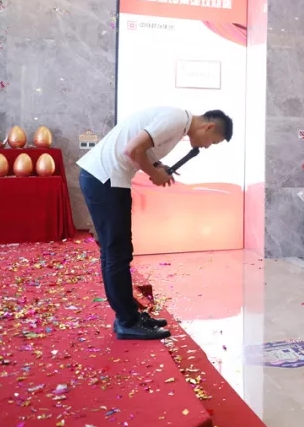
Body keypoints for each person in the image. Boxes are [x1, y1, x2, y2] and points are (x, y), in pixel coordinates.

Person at [78, 107, 232, 340]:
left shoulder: (179, 124)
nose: (207, 146)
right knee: (116, 252)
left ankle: (130, 315)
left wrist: (157, 167)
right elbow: (132, 149)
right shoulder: (176, 119)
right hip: (105, 179)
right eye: (213, 141)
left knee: (119, 251)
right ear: (208, 127)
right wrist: (154, 173)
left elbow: (143, 149)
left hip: (107, 179)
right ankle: (127, 322)